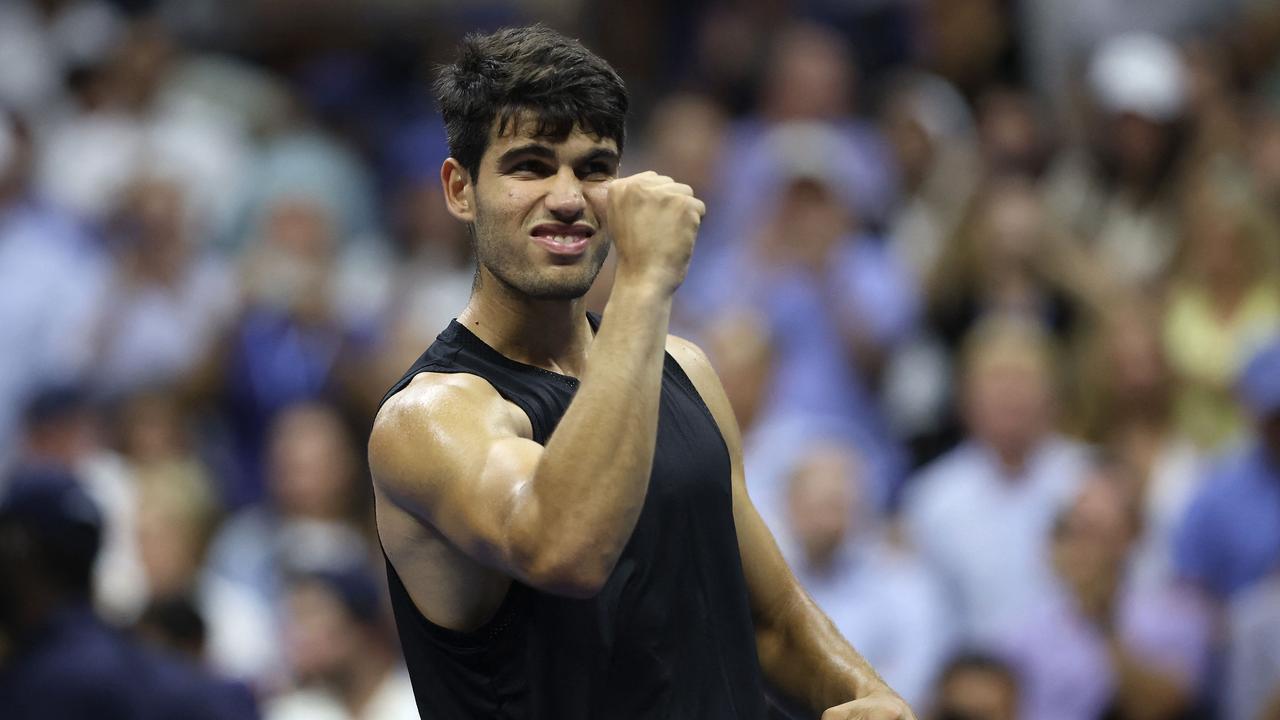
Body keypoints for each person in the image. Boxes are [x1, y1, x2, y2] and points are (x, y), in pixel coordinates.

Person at [366, 25, 914, 720]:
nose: (568, 198)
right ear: (459, 189)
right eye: (530, 166)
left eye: (593, 168)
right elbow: (565, 549)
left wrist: (875, 698)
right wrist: (644, 279)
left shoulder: (684, 369)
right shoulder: (430, 418)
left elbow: (770, 621)